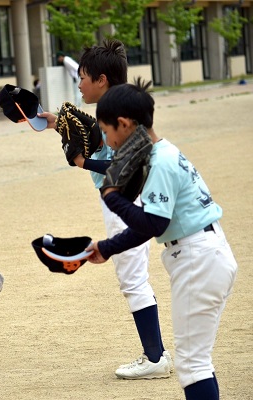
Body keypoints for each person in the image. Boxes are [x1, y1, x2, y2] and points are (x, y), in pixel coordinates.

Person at [87, 78, 238, 400]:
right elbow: (148, 226)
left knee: (193, 364)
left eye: (107, 131)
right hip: (202, 253)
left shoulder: (161, 162)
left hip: (198, 259)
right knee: (194, 362)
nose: (107, 140)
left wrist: (112, 196)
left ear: (125, 124)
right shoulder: (162, 152)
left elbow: (153, 223)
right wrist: (107, 247)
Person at [40, 40, 172, 380]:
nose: (79, 84)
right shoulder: (115, 109)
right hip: (127, 201)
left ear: (101, 80)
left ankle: (155, 358)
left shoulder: (119, 114)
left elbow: (123, 163)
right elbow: (98, 136)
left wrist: (83, 162)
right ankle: (156, 354)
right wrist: (58, 123)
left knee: (132, 279)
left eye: (83, 77)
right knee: (134, 277)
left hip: (127, 202)